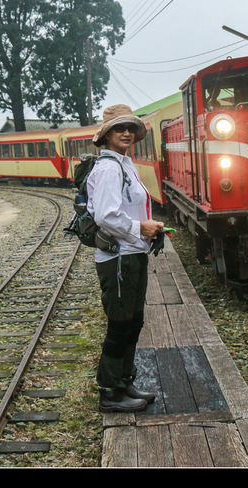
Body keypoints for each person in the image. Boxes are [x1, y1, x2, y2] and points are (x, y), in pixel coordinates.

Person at [87, 104, 164, 412]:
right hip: (117, 258)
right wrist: (139, 227)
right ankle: (109, 392)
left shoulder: (125, 164)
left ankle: (124, 381)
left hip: (133, 253)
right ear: (106, 134)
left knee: (133, 323)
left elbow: (129, 207)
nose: (127, 133)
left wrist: (148, 227)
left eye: (131, 128)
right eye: (120, 128)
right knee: (120, 325)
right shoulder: (108, 167)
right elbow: (106, 216)